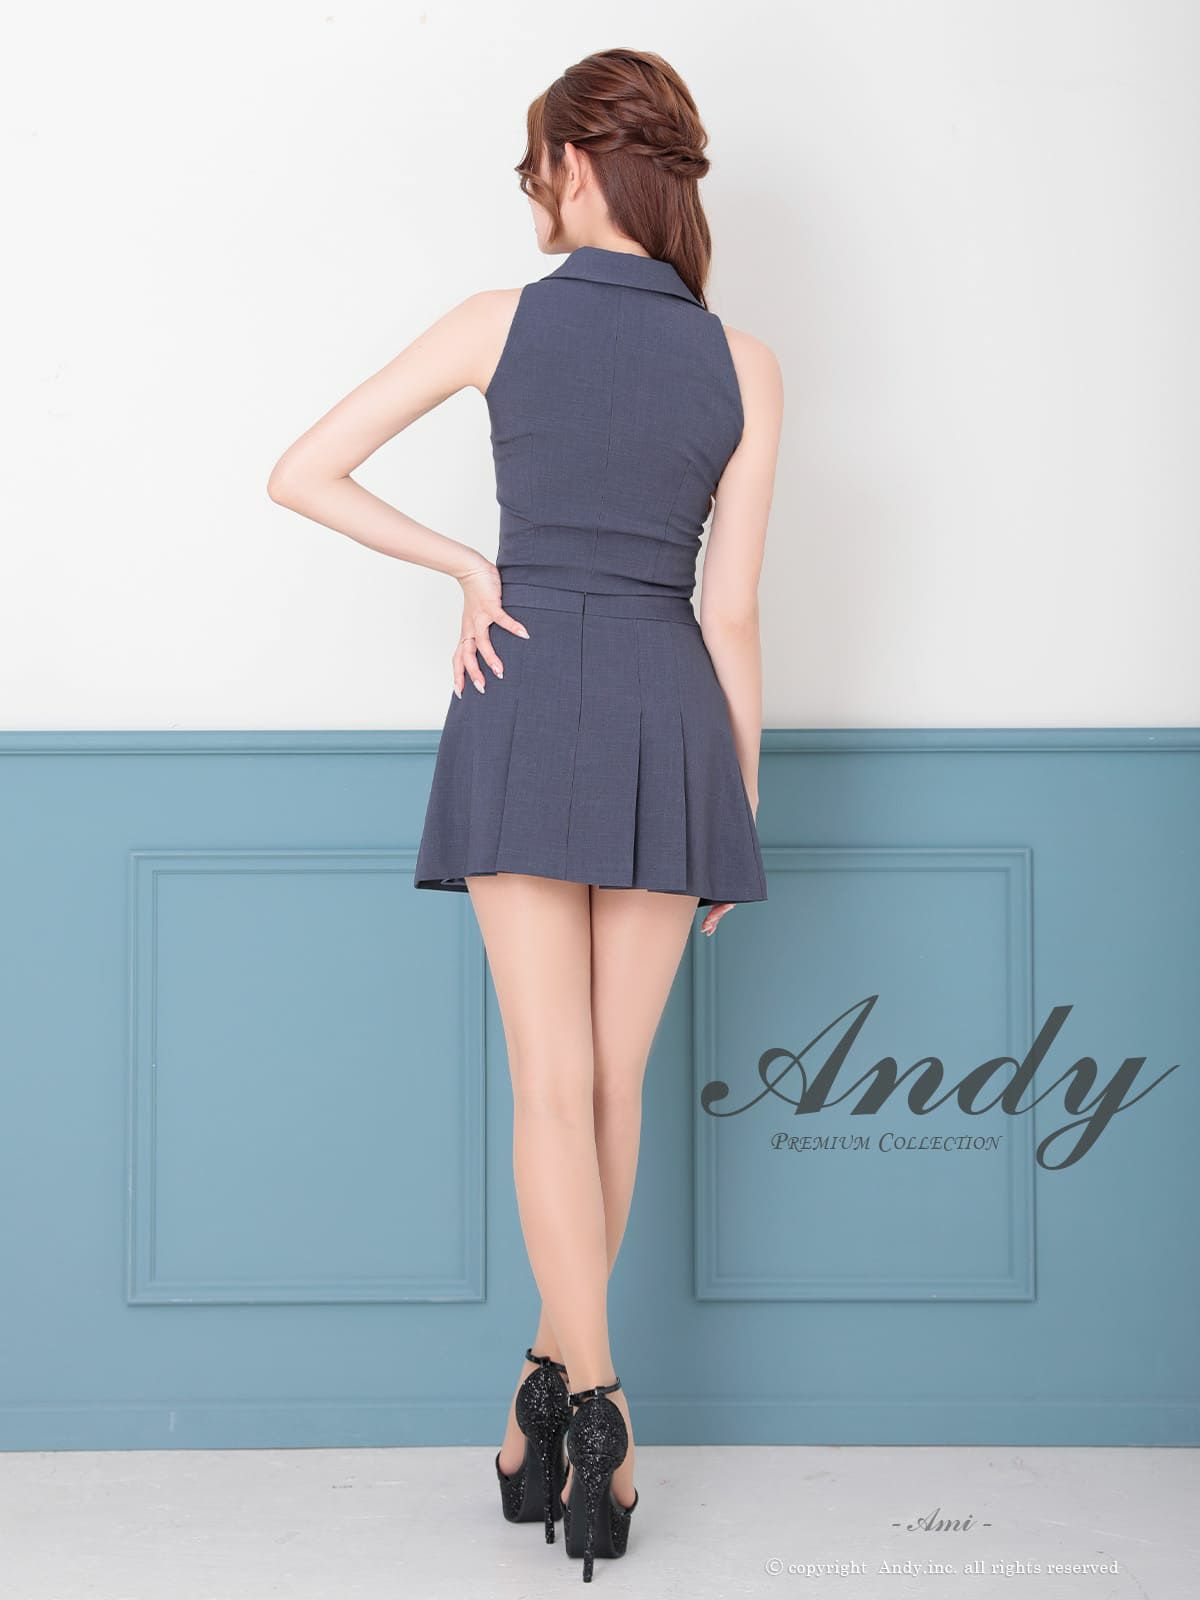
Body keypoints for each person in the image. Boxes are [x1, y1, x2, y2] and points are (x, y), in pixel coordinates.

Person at [267, 46, 783, 1584]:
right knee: (612, 1090)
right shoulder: (747, 363)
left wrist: (468, 568)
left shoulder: (499, 323)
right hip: (671, 714)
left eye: (535, 166)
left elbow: (301, 471)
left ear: (570, 162)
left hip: (528, 688)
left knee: (553, 1089)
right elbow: (734, 615)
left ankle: (576, 1403)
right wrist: (734, 810)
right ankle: (555, 1407)